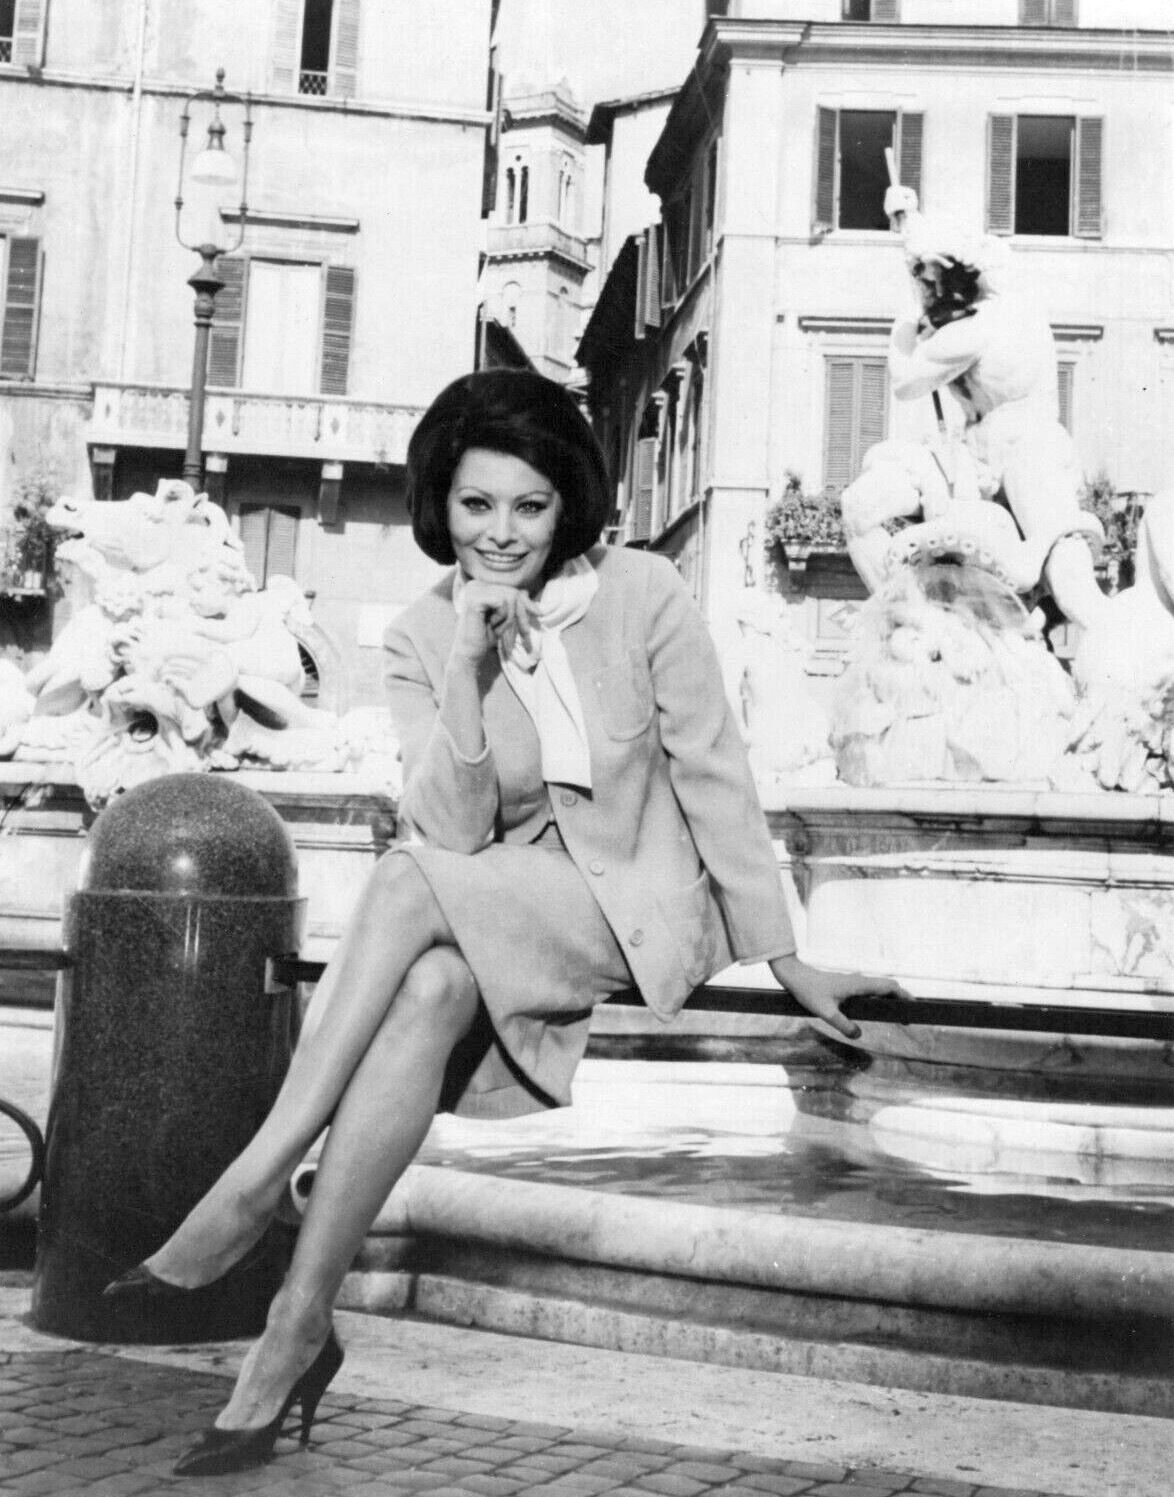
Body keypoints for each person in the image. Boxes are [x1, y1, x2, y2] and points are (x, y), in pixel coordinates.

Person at [104, 370, 900, 1478]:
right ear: (443, 504)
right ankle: (295, 1326)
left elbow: (714, 768)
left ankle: (251, 1184)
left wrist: (785, 954)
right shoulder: (421, 634)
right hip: (504, 900)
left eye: (529, 505)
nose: (501, 532)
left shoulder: (647, 592)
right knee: (428, 986)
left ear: (566, 504)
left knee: (401, 884)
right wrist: (471, 666)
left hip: (639, 905)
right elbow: (450, 827)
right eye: (476, 504)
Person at [842, 188, 1107, 632]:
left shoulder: (981, 328)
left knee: (1074, 590)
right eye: (923, 284)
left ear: (962, 277)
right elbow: (941, 254)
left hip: (1026, 457)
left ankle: (1127, 648)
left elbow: (905, 380)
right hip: (967, 462)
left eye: (934, 284)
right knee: (859, 506)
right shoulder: (982, 306)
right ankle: (918, 623)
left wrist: (908, 311)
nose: (930, 294)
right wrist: (909, 223)